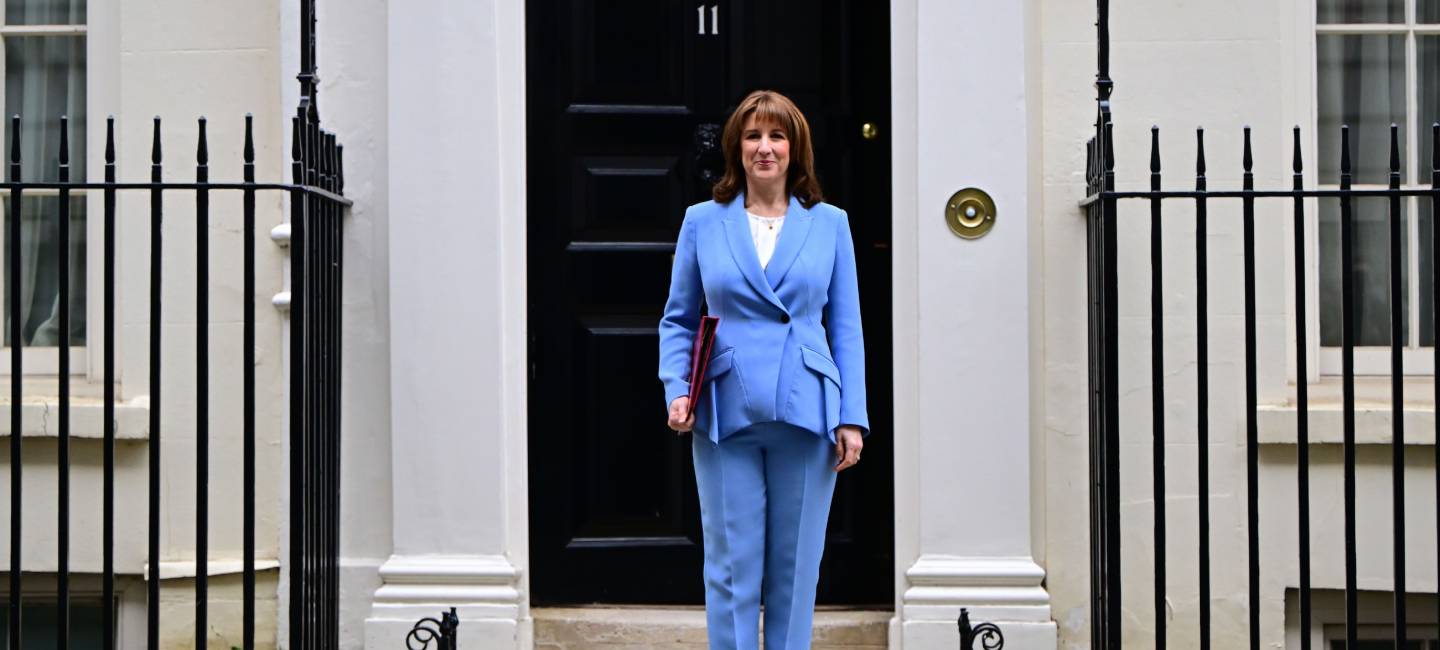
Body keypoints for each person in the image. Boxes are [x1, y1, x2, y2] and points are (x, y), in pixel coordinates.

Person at [657, 89, 869, 650]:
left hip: (807, 407)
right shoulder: (703, 221)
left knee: (795, 571)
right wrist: (678, 389)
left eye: (777, 136)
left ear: (796, 149)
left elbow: (846, 327)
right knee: (731, 565)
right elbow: (679, 318)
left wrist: (852, 417)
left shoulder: (831, 225)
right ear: (737, 148)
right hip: (727, 409)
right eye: (753, 136)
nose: (765, 148)